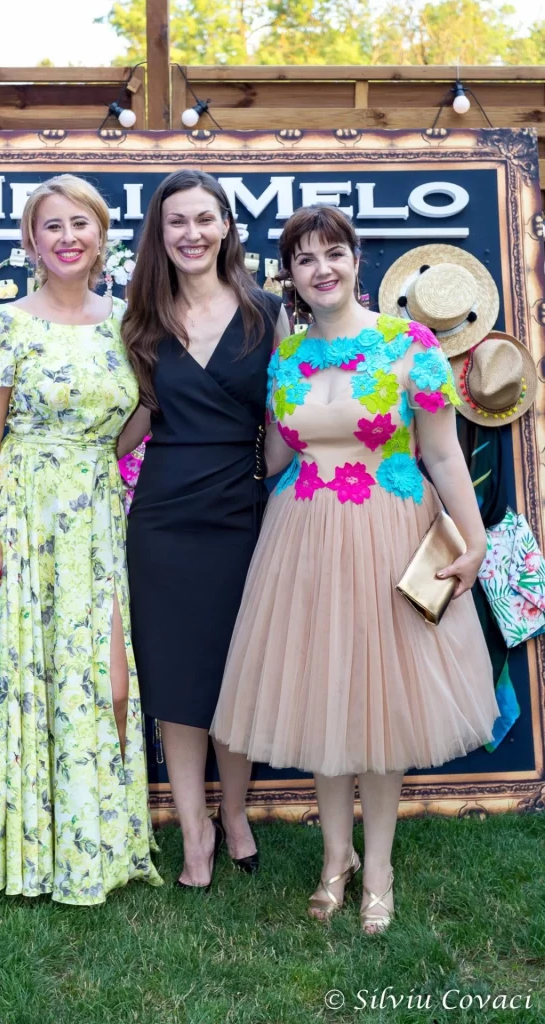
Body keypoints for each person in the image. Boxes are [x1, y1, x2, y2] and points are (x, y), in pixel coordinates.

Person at [211, 206, 499, 932]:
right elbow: (278, 454)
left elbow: (443, 452)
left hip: (389, 531)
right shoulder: (287, 356)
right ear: (291, 275)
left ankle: (379, 871)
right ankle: (333, 861)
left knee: (380, 701)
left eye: (333, 253)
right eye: (305, 259)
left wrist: (473, 539)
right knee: (325, 693)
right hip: (303, 535)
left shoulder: (409, 343)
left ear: (355, 260)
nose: (322, 269)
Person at [0, 174, 162, 905]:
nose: (68, 237)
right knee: (24, 676)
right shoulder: (6, 323)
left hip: (94, 515)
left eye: (80, 223)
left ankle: (98, 841)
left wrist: (99, 456)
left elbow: (145, 412)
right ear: (32, 242)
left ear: (101, 236)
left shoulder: (128, 323)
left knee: (108, 680)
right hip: (22, 512)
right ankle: (25, 850)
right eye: (52, 226)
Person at [119, 170, 288, 889]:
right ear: (159, 235)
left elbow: (282, 425)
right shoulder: (140, 319)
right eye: (176, 221)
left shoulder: (268, 312)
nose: (192, 233)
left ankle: (237, 813)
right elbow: (134, 417)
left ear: (225, 227)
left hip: (238, 514)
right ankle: (196, 832)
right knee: (177, 677)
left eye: (204, 218)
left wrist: (258, 490)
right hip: (163, 518)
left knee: (232, 673)